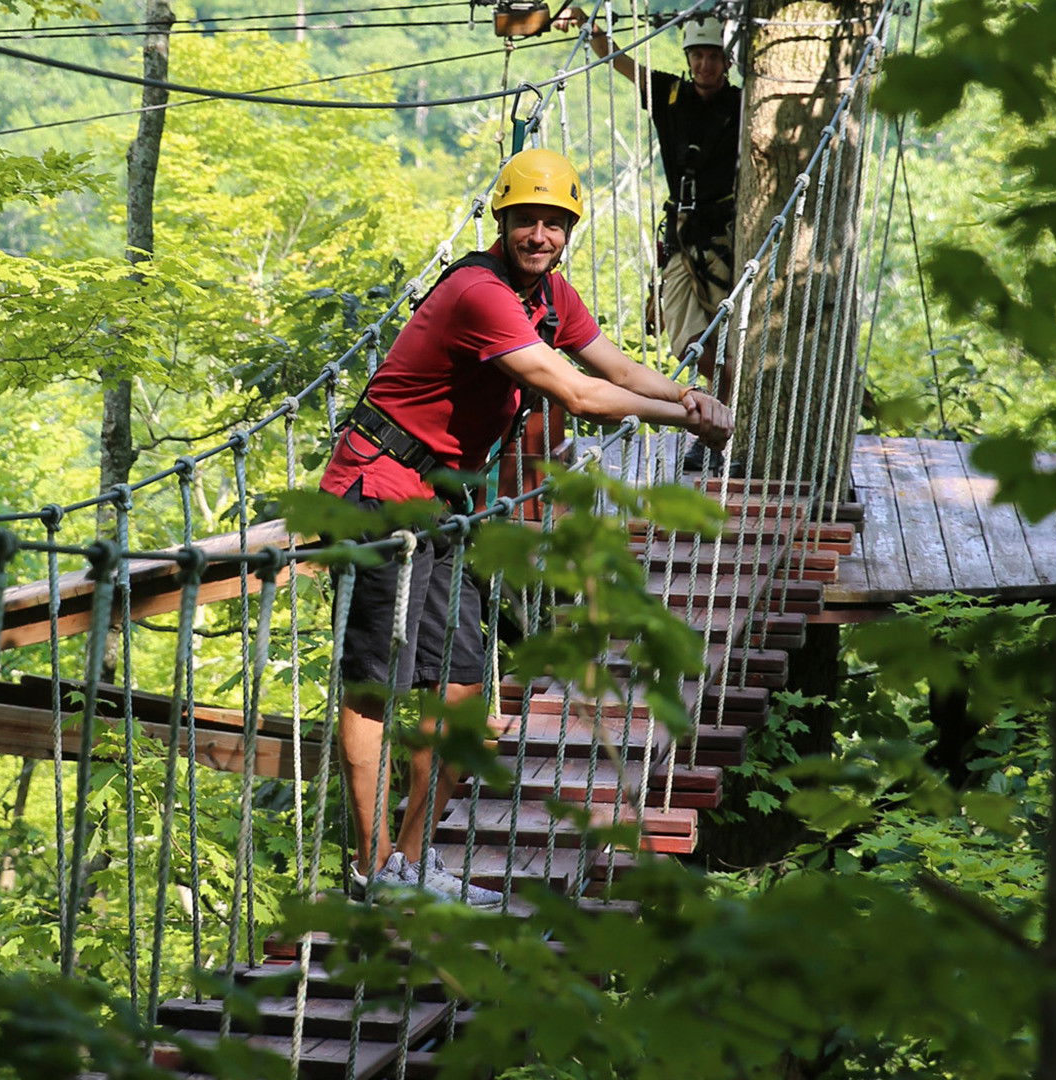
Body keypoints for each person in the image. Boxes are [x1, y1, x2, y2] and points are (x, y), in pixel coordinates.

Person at [317, 148, 732, 905]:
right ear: (501, 221)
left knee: (467, 700)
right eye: (525, 219)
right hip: (373, 490)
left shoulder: (548, 294)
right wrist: (686, 420)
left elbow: (616, 366)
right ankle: (375, 871)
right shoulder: (479, 293)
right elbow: (577, 393)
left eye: (554, 221)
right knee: (376, 691)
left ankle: (406, 871)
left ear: (569, 228)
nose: (539, 233)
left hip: (440, 505)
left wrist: (690, 397)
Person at [557, 8, 742, 467]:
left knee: (729, 344)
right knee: (689, 343)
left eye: (713, 56)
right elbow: (617, 60)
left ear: (727, 62)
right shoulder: (669, 94)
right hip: (682, 235)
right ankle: (720, 418)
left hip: (726, 235)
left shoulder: (743, 104)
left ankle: (723, 432)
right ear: (687, 58)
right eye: (697, 56)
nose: (705, 65)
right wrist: (591, 26)